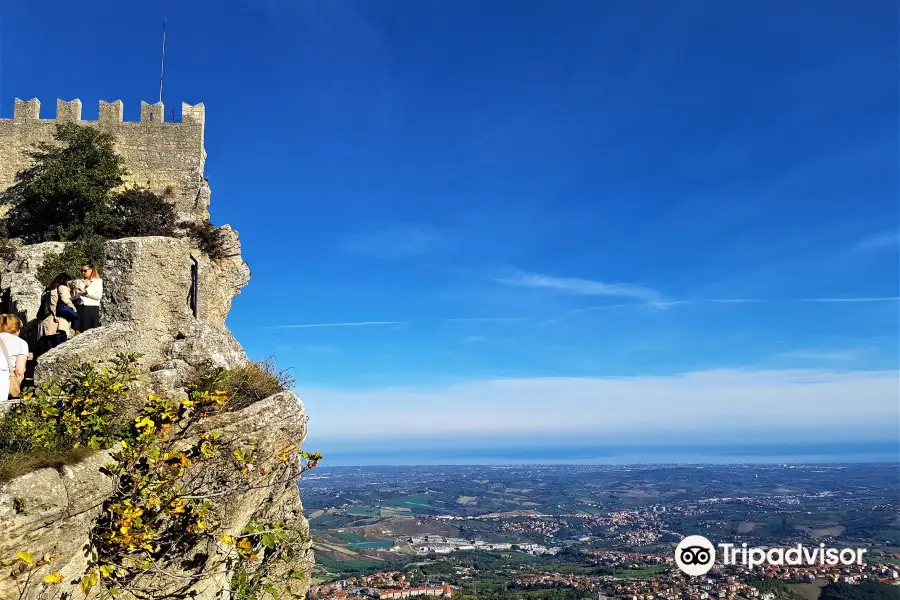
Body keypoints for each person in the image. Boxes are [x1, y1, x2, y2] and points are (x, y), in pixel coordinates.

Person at [38, 273, 77, 353]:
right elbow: (65, 300)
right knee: (58, 346)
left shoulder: (47, 290)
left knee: (48, 346)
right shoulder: (62, 287)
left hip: (45, 320)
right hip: (57, 321)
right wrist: (74, 309)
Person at [0, 314, 28, 401]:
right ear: (16, 329)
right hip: (3, 380)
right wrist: (16, 385)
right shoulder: (21, 343)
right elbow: (19, 371)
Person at [71, 262, 103, 333]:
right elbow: (74, 297)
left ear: (92, 270)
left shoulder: (97, 281)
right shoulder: (79, 281)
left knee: (91, 333)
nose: (83, 273)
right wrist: (73, 290)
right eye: (81, 271)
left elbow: (98, 296)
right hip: (79, 308)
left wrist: (86, 292)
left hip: (91, 309)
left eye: (85, 270)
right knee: (77, 331)